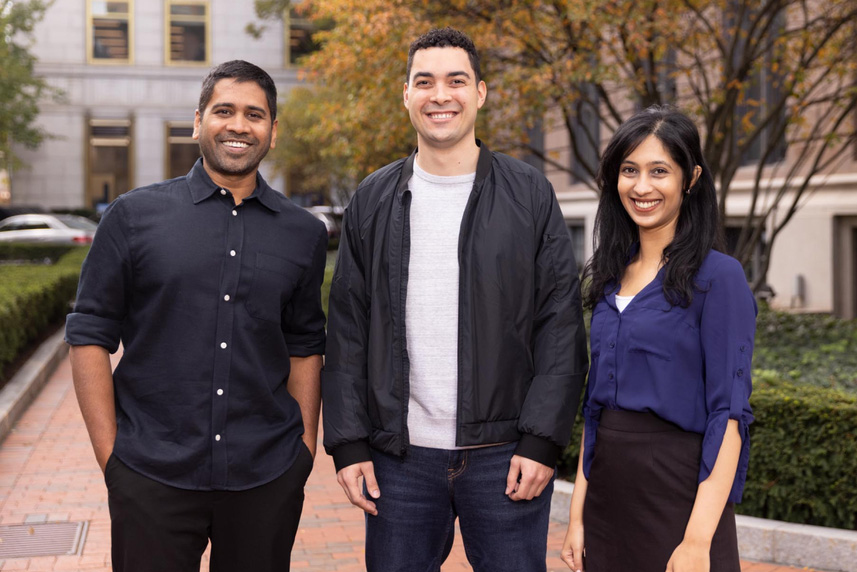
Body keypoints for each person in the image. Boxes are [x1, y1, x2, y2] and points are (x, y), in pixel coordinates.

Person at [322, 27, 589, 572]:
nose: (439, 95)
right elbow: (348, 329)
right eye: (425, 81)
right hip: (399, 460)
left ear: (481, 92)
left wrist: (541, 441)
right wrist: (348, 445)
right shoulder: (373, 198)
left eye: (455, 81)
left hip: (505, 456)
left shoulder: (528, 193)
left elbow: (559, 324)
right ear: (406, 94)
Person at [65, 60, 327, 572]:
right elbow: (89, 335)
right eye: (223, 110)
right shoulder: (134, 217)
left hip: (266, 475)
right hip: (150, 474)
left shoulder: (303, 233)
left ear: (273, 132)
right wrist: (112, 459)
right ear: (197, 121)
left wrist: (303, 450)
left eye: (255, 114)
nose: (238, 125)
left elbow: (304, 343)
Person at [560, 106, 757, 572]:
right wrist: (577, 515)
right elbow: (595, 409)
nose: (641, 186)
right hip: (607, 498)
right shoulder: (609, 276)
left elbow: (728, 416)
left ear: (690, 179)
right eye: (629, 170)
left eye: (658, 171)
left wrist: (696, 540)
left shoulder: (719, 278)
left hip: (679, 497)